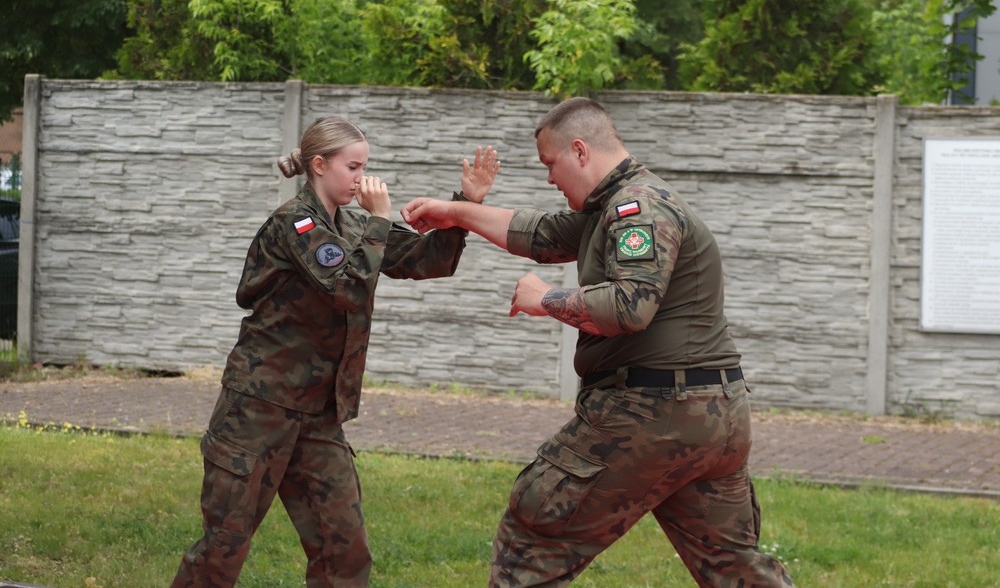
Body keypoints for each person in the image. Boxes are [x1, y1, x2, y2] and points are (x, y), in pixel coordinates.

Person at [403, 97, 794, 587]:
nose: (549, 179)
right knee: (734, 566)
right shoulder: (614, 205)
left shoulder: (638, 207)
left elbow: (631, 305)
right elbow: (540, 234)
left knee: (535, 538)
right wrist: (456, 212)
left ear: (581, 151)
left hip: (653, 410)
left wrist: (543, 298)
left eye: (551, 164)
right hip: (713, 417)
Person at [171, 115, 500, 587]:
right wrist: (382, 221)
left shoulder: (353, 223)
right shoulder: (295, 222)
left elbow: (430, 260)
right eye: (353, 167)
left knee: (343, 550)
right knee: (223, 547)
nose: (362, 179)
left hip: (317, 416)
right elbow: (347, 287)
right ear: (319, 165)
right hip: (259, 411)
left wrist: (465, 204)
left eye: (365, 166)